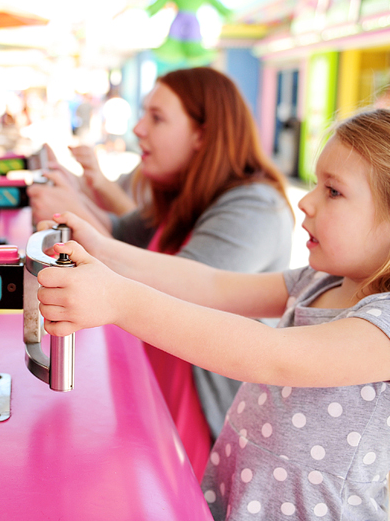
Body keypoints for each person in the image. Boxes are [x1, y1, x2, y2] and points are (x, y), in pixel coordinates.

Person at [37, 105, 390, 521]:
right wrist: (106, 251)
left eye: (333, 191)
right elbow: (212, 284)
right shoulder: (319, 282)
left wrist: (119, 300)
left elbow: (269, 354)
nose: (305, 200)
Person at [29, 67, 294, 480]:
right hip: (153, 388)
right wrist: (76, 205)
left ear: (202, 135)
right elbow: (119, 236)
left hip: (203, 410)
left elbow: (192, 287)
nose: (138, 129)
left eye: (157, 117)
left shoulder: (256, 206)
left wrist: (76, 209)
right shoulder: (179, 193)